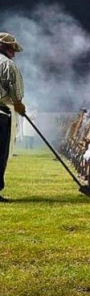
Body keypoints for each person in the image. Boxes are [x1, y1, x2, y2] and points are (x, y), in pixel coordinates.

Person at [0, 32, 26, 202]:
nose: (13, 53)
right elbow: (16, 93)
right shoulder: (8, 65)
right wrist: (19, 105)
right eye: (11, 49)